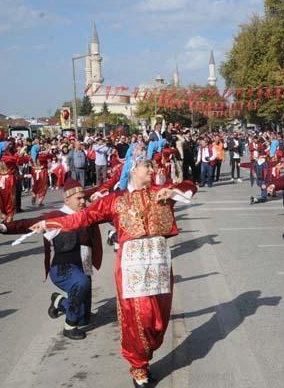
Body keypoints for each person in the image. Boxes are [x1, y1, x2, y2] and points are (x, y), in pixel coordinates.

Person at [30, 145, 198, 387]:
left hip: (160, 265)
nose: (151, 170)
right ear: (132, 169)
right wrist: (50, 223)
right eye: (146, 166)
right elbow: (83, 217)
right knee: (139, 317)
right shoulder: (114, 200)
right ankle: (138, 368)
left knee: (159, 320)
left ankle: (145, 357)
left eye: (151, 166)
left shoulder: (161, 191)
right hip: (132, 268)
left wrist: (172, 190)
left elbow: (191, 187)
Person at [0, 178, 103, 340]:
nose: (82, 201)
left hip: (84, 268)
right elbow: (29, 223)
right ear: (67, 199)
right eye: (78, 198)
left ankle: (58, 301)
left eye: (84, 198)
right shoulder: (56, 216)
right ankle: (69, 326)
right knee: (80, 285)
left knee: (84, 317)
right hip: (63, 268)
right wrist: (3, 227)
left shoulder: (88, 214)